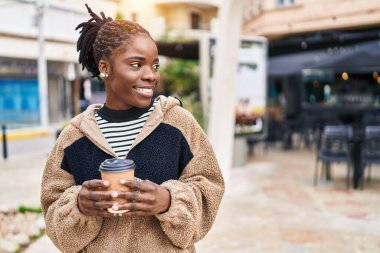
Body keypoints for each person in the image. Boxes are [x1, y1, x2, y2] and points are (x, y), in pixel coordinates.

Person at [40, 4, 224, 253]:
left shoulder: (178, 123)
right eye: (136, 65)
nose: (151, 75)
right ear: (105, 68)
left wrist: (168, 201)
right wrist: (78, 205)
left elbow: (210, 186)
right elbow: (52, 207)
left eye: (154, 65)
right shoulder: (74, 137)